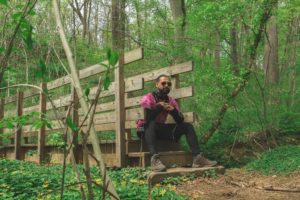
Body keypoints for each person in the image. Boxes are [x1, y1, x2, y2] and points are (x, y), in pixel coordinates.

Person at [137, 74, 217, 172]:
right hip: (144, 129)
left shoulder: (171, 100)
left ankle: (198, 158)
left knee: (187, 126)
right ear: (157, 84)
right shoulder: (148, 98)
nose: (166, 85)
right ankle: (155, 160)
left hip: (160, 129)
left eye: (169, 84)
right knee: (151, 123)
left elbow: (180, 120)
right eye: (163, 83)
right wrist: (159, 107)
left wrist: (173, 111)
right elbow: (147, 118)